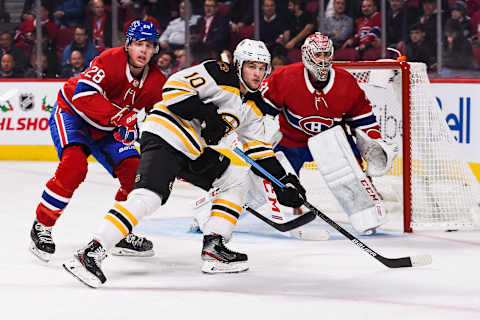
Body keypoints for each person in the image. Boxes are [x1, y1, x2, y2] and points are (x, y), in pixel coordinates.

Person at [63, 39, 306, 288]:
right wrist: (207, 115)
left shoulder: (252, 105)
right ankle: (90, 253)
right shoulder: (219, 72)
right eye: (252, 66)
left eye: (262, 68)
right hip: (165, 135)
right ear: (239, 65)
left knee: (234, 177)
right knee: (148, 197)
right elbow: (174, 88)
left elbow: (258, 149)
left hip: (193, 149)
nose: (257, 73)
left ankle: (215, 246)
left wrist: (283, 182)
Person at [29, 20, 167, 263]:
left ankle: (119, 233)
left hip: (108, 128)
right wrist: (120, 116)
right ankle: (42, 225)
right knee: (74, 167)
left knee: (135, 173)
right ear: (128, 45)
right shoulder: (109, 59)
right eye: (138, 44)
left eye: (149, 45)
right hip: (73, 115)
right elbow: (83, 95)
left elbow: (159, 118)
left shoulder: (156, 80)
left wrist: (149, 137)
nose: (143, 51)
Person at [260, 32, 392, 233]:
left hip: (331, 143)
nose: (323, 61)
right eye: (317, 55)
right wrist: (257, 141)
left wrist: (372, 144)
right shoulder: (285, 77)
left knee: (351, 175)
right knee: (269, 178)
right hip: (291, 141)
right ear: (306, 56)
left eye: (326, 54)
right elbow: (262, 113)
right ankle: (226, 208)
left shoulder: (345, 82)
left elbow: (363, 121)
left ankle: (365, 211)